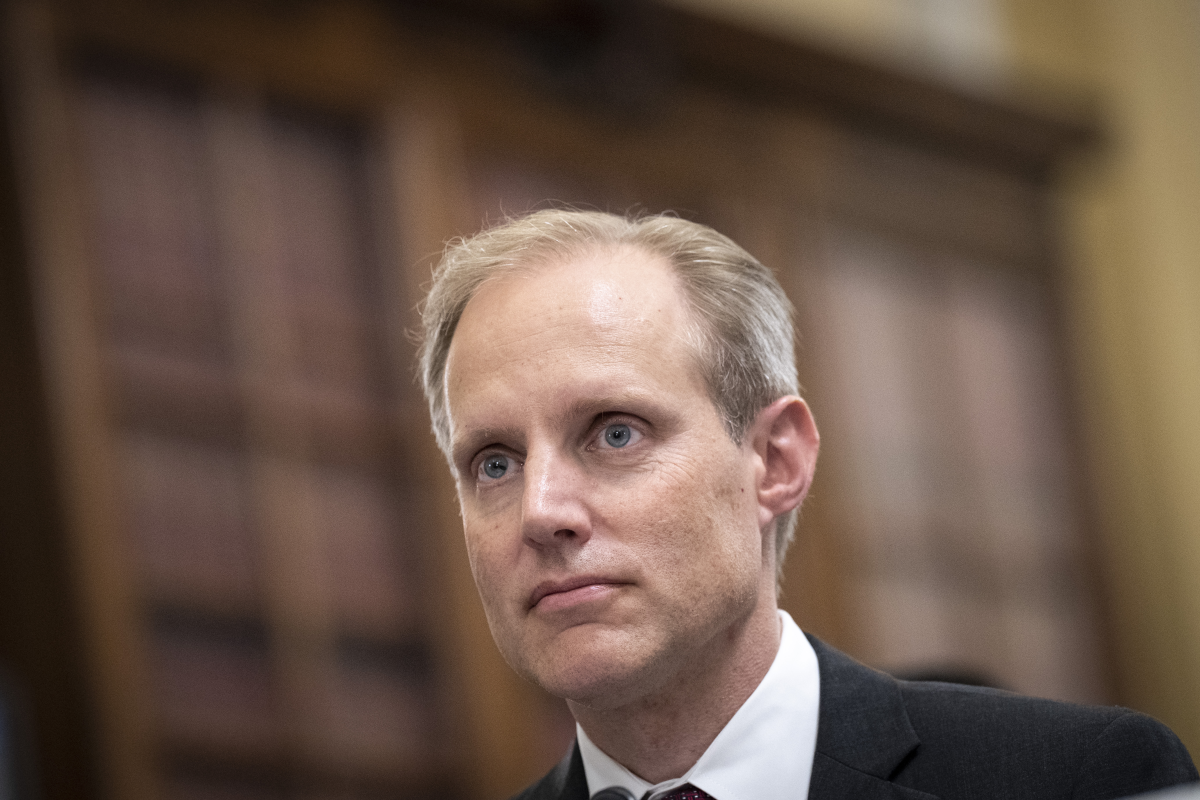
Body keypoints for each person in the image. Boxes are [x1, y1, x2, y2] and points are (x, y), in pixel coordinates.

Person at [418, 209, 1197, 800]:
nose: (540, 510)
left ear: (773, 461)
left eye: (615, 433)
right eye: (494, 462)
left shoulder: (1084, 778)